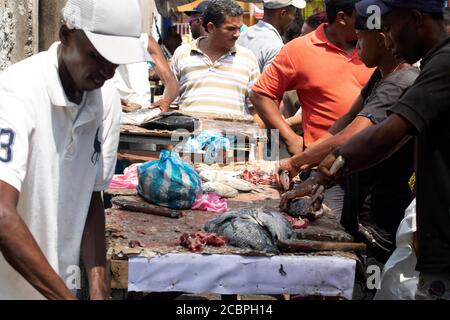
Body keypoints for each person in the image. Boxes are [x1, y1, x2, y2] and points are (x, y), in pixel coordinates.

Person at [0, 0, 146, 300]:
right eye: (96, 56)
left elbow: (92, 196)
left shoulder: (106, 101)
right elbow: (1, 213)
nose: (105, 71)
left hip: (60, 281)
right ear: (65, 35)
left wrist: (97, 284)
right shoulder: (16, 92)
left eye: (114, 61)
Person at [317, 0, 450, 300]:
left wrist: (328, 171)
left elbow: (385, 137)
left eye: (389, 28)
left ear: (416, 19)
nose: (386, 39)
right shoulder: (432, 64)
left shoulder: (442, 65)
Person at [279, 12, 417, 259]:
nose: (356, 48)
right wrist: (303, 160)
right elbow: (343, 122)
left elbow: (350, 136)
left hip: (379, 209)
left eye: (360, 40)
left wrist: (295, 163)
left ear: (382, 40)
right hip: (358, 195)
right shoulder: (381, 74)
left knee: (368, 277)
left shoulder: (399, 83)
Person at [250, 0, 374, 218]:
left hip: (375, 165)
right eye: (364, 17)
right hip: (323, 168)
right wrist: (290, 138)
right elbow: (261, 94)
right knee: (330, 228)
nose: (373, 22)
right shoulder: (299, 49)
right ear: (343, 17)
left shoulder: (378, 47)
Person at [171, 0, 260, 117]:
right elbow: (172, 103)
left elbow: (255, 108)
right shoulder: (182, 53)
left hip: (232, 133)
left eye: (239, 28)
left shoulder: (247, 58)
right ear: (211, 27)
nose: (237, 34)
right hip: (189, 133)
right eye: (231, 29)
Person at [112, 34, 179, 112]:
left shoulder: (145, 40)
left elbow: (171, 83)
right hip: (111, 112)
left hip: (142, 113)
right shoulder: (99, 40)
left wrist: (166, 101)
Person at [237, 0, 307, 73]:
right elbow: (268, 83)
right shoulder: (275, 47)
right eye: (293, 14)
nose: (293, 19)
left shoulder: (244, 34)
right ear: (283, 13)